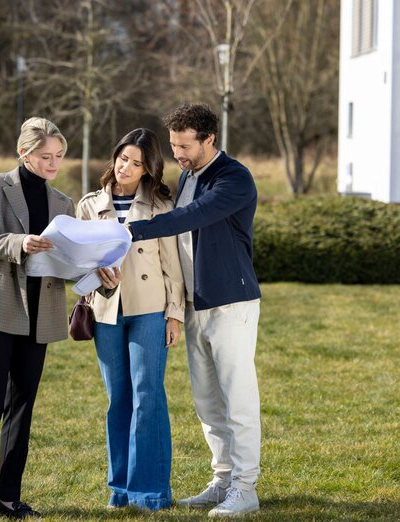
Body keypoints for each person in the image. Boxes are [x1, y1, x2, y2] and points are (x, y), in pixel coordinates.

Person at [126, 103, 262, 517]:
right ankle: (222, 479)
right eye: (173, 146)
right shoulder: (187, 175)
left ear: (209, 139)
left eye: (186, 146)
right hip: (193, 304)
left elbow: (193, 216)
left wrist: (132, 230)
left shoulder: (234, 178)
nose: (178, 155)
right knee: (207, 400)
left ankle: (246, 487)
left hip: (230, 303)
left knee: (237, 398)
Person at [0, 117, 74, 521]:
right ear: (24, 154)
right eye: (45, 156)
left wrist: (94, 269)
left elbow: (66, 259)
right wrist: (20, 242)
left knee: (22, 407)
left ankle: (8, 499)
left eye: (58, 156)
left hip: (39, 316)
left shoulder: (64, 203)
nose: (53, 163)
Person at [75, 128, 185, 511]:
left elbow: (173, 266)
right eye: (123, 158)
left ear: (147, 169)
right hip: (106, 311)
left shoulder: (159, 206)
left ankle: (151, 492)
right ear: (115, 157)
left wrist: (175, 315)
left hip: (150, 310)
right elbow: (78, 263)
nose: (126, 167)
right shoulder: (89, 205)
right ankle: (120, 490)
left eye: (137, 163)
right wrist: (94, 277)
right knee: (117, 400)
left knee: (148, 397)